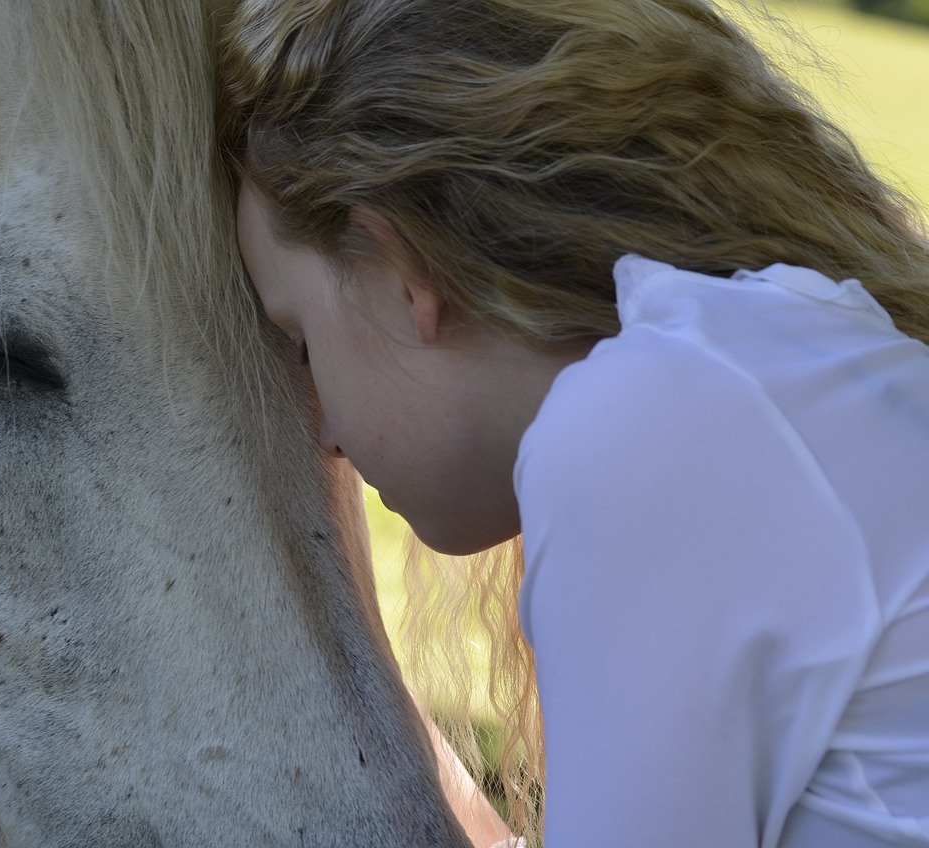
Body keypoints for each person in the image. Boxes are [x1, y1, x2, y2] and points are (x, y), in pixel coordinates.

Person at [217, 0, 929, 845]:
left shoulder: (654, 426)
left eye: (300, 344)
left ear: (403, 268)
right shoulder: (796, 361)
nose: (322, 432)